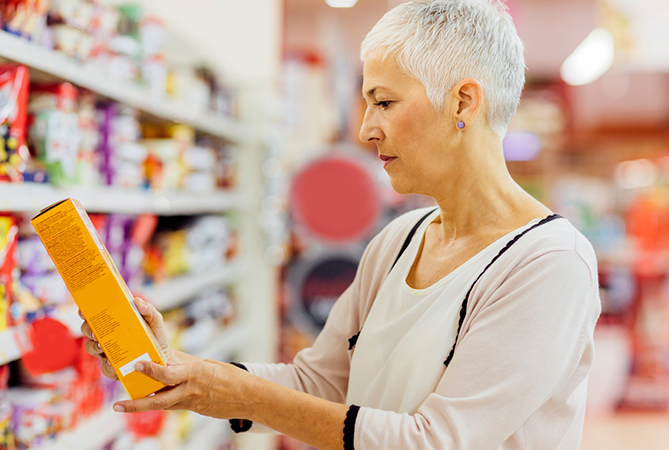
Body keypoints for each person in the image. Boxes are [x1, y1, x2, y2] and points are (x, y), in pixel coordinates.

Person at [81, 0, 601, 448]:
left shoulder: (548, 264)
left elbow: (437, 441)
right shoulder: (400, 241)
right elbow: (320, 382)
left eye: (385, 102)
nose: (366, 128)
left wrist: (230, 393)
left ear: (463, 101)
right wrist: (178, 368)